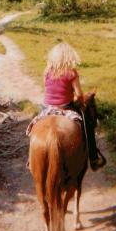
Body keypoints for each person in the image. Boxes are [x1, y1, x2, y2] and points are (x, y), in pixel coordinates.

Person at [43, 42, 106, 171]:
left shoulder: (47, 71)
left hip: (47, 107)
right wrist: (81, 101)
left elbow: (47, 88)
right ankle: (93, 158)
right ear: (68, 57)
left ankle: (31, 161)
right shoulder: (71, 73)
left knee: (36, 125)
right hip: (65, 107)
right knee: (87, 125)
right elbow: (78, 94)